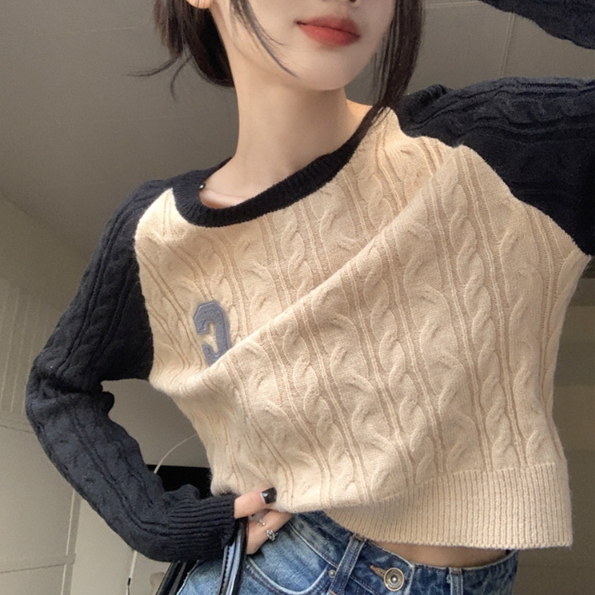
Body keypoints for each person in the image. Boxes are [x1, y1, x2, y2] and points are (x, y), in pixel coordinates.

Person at [26, 1, 594, 593]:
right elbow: (57, 387)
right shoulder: (157, 235)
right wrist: (156, 520)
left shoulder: (488, 151)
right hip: (273, 568)